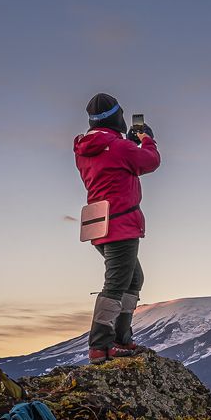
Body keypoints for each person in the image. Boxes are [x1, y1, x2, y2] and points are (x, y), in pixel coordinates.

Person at [74, 93, 161, 364]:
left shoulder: (86, 149)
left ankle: (121, 339)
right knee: (116, 283)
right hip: (121, 223)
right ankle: (101, 345)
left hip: (99, 224)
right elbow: (150, 161)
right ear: (117, 117)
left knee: (132, 279)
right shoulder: (121, 148)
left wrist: (127, 144)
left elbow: (114, 159)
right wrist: (147, 140)